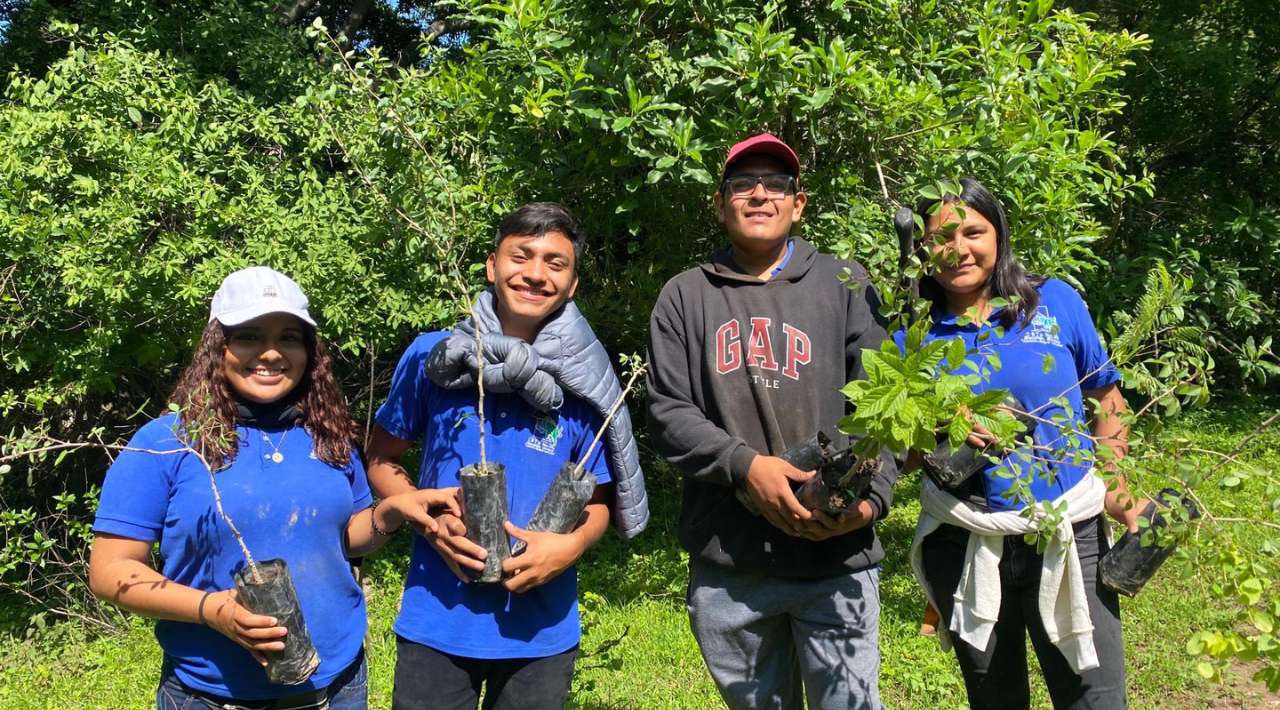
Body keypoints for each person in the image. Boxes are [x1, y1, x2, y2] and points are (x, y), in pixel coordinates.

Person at [89, 266, 457, 709]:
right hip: (213, 697)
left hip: (338, 687)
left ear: (309, 351)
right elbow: (111, 572)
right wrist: (214, 611)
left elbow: (346, 539)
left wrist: (389, 512)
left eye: (288, 337)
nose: (270, 353)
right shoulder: (166, 444)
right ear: (217, 347)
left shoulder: (329, 435)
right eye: (248, 336)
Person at [646, 133, 896, 709]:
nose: (760, 194)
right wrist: (745, 467)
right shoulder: (686, 296)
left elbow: (889, 407)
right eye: (743, 183)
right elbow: (668, 411)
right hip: (732, 565)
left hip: (837, 557)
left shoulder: (845, 283)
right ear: (720, 202)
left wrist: (871, 502)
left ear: (798, 202)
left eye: (777, 184)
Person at [366, 202, 647, 710]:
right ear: (493, 266)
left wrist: (571, 547)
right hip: (437, 621)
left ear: (573, 284)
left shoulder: (585, 381)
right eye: (522, 256)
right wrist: (427, 518)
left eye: (555, 263)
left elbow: (602, 499)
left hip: (541, 632)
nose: (535, 274)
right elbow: (382, 458)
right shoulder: (436, 357)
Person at [902, 177, 1150, 709]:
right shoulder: (913, 334)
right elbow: (900, 455)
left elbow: (1107, 400)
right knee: (995, 699)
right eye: (941, 236)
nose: (958, 249)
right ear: (922, 248)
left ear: (999, 234)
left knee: (1095, 698)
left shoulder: (1052, 301)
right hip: (964, 537)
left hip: (1069, 529)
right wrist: (938, 428)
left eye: (973, 231)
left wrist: (1116, 489)